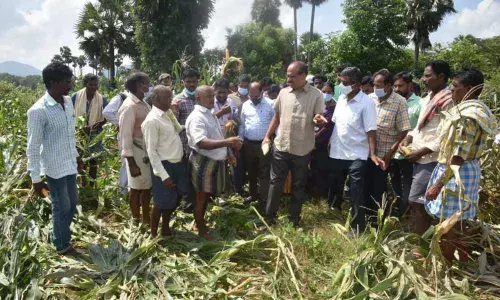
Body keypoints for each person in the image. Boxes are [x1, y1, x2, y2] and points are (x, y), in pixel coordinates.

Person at [425, 67, 497, 263]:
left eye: (455, 87)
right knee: (458, 221)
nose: (451, 90)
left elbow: (457, 157)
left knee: (450, 225)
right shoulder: (477, 110)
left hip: (456, 173)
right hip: (464, 170)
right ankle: (461, 261)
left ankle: (448, 265)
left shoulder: (467, 117)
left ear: (469, 89)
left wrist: (438, 185)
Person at [27, 62, 83, 256]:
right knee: (62, 206)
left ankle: (60, 235)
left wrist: (77, 157)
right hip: (54, 168)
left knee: (72, 204)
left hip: (69, 164)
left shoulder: (68, 103)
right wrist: (35, 179)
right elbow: (33, 147)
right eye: (67, 82)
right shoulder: (38, 111)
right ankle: (61, 245)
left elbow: (70, 135)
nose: (70, 85)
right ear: (53, 82)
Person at [261, 61, 326, 228]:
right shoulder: (283, 93)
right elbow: (277, 116)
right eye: (287, 75)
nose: (288, 79)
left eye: (292, 76)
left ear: (303, 76)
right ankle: (269, 218)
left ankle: (294, 220)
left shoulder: (316, 95)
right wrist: (267, 136)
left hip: (302, 149)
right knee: (275, 183)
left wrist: (318, 120)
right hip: (281, 146)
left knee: (298, 185)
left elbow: (318, 118)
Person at [399, 60, 454, 235]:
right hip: (419, 156)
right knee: (420, 201)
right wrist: (407, 139)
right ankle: (425, 238)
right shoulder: (427, 99)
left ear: (441, 77)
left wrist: (421, 151)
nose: (424, 79)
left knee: (417, 201)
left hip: (431, 158)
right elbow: (419, 128)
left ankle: (421, 242)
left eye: (428, 75)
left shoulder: (448, 101)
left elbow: (445, 134)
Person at [328, 67, 382, 235]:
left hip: (357, 154)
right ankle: (333, 213)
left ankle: (357, 227)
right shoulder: (341, 100)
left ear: (357, 84)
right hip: (337, 151)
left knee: (356, 191)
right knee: (335, 185)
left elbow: (371, 130)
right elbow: (337, 124)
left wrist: (372, 154)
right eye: (340, 82)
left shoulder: (366, 103)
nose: (341, 85)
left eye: (344, 83)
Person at [186, 86, 243, 240]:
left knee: (206, 195)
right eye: (208, 97)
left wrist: (228, 153)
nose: (213, 99)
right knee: (201, 197)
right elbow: (201, 143)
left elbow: (217, 135)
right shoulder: (197, 117)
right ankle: (201, 228)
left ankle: (200, 222)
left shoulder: (210, 113)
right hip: (203, 162)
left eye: (213, 96)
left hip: (215, 160)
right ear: (198, 98)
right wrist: (228, 142)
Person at [365, 69, 410, 222]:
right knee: (365, 185)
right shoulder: (369, 98)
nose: (375, 88)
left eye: (379, 85)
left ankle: (378, 220)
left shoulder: (399, 102)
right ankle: (366, 215)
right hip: (366, 151)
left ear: (389, 85)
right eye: (374, 85)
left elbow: (403, 130)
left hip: (384, 154)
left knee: (379, 188)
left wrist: (390, 154)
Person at [142, 85, 187, 238]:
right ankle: (154, 234)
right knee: (161, 202)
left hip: (177, 163)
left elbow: (179, 129)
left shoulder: (167, 113)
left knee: (172, 199)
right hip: (164, 166)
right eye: (168, 97)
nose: (171, 100)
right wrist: (163, 175)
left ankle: (165, 227)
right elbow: (151, 151)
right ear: (156, 99)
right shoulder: (152, 121)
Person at [118, 72, 152, 225]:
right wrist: (131, 163)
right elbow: (125, 136)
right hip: (136, 152)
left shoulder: (143, 103)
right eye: (147, 83)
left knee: (145, 187)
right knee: (136, 188)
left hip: (145, 150)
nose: (149, 86)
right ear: (139, 85)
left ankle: (145, 218)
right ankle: (136, 219)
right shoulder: (129, 106)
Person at [239, 82, 275, 212]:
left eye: (256, 96)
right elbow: (243, 125)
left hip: (264, 144)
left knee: (264, 173)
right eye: (251, 96)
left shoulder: (270, 104)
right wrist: (240, 141)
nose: (254, 98)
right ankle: (253, 195)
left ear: (262, 92)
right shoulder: (245, 105)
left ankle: (263, 200)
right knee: (251, 171)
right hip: (249, 144)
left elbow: (275, 124)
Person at [390, 72, 423, 216]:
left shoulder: (420, 103)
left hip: (408, 153)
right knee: (394, 182)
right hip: (392, 151)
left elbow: (421, 128)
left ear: (409, 85)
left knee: (408, 184)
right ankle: (397, 211)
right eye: (395, 86)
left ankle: (406, 213)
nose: (397, 89)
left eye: (400, 86)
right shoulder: (392, 101)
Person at [71, 73, 108, 187]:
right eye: (90, 84)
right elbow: (69, 115)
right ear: (85, 84)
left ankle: (91, 184)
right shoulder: (76, 96)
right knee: (79, 159)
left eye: (95, 85)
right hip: (79, 134)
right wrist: (80, 128)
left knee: (93, 160)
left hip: (95, 134)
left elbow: (106, 117)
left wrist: (92, 127)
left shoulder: (102, 99)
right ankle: (82, 182)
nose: (93, 87)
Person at [173, 69, 200, 212]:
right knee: (183, 176)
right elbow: (173, 124)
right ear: (183, 82)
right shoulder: (177, 100)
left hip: (198, 145)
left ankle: (191, 204)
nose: (191, 84)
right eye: (188, 82)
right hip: (184, 145)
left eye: (194, 82)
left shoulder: (200, 98)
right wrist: (175, 111)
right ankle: (183, 204)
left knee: (194, 175)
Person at [311, 82, 337, 198]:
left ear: (333, 93)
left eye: (329, 92)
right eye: (324, 91)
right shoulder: (316, 106)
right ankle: (313, 192)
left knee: (324, 169)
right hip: (312, 143)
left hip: (325, 144)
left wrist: (315, 137)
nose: (326, 94)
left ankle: (323, 194)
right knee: (313, 168)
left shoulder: (335, 108)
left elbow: (327, 127)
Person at [103, 90, 129, 194]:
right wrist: (120, 123)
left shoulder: (142, 96)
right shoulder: (121, 97)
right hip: (125, 134)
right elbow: (106, 112)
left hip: (136, 134)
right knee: (126, 162)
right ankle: (123, 191)